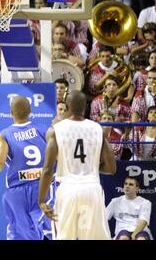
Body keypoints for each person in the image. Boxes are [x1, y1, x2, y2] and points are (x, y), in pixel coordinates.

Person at [38, 90, 117, 240]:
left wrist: (41, 200)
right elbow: (111, 169)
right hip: (92, 189)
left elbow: (48, 169)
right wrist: (94, 167)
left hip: (68, 190)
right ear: (85, 107)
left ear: (66, 107)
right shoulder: (98, 129)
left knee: (64, 237)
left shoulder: (57, 130)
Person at [0, 96, 52, 240]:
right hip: (43, 186)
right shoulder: (45, 130)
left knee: (20, 234)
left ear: (11, 113)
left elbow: (0, 161)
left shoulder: (4, 135)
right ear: (30, 111)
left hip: (18, 189)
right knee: (52, 229)